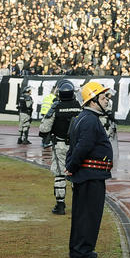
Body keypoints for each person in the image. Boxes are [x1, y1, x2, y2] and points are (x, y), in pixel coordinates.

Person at [65, 81, 114, 258]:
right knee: (89, 216)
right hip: (90, 176)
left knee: (81, 214)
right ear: (93, 101)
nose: (107, 101)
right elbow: (82, 147)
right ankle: (84, 254)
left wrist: (71, 166)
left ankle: (77, 249)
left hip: (87, 175)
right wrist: (72, 166)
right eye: (103, 97)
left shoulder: (83, 118)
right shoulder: (91, 121)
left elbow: (74, 146)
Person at [40, 82, 83, 214]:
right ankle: (78, 206)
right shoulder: (79, 107)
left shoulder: (56, 107)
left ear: (60, 93)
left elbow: (44, 129)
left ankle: (60, 206)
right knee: (77, 174)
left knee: (60, 175)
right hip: (78, 147)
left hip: (60, 145)